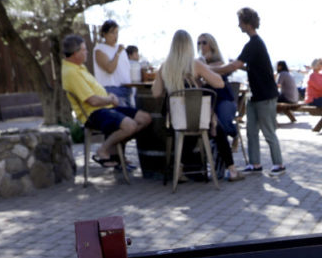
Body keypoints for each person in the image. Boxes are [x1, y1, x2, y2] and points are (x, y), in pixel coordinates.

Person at [153, 30, 244, 183]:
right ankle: (232, 170)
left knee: (187, 131)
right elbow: (220, 83)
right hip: (197, 120)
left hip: (174, 121)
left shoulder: (164, 67)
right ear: (189, 46)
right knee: (216, 128)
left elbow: (156, 93)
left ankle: (179, 168)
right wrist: (202, 76)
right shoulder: (195, 64)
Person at [61, 34, 151, 168]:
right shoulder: (71, 72)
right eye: (84, 50)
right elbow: (93, 101)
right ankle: (103, 149)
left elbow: (94, 92)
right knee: (130, 126)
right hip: (93, 114)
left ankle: (115, 148)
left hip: (106, 108)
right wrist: (110, 98)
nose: (86, 52)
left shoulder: (80, 67)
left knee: (145, 118)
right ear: (75, 53)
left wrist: (109, 97)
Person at [212, 7, 284, 175]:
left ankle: (279, 165)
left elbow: (234, 66)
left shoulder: (254, 44)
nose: (238, 26)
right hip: (255, 95)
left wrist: (209, 70)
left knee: (268, 131)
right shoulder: (254, 45)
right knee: (251, 131)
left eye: (240, 22)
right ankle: (255, 163)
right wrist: (238, 66)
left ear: (247, 23)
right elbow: (251, 67)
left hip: (265, 95)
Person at [192, 32, 244, 182]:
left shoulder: (219, 62)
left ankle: (234, 134)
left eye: (204, 42)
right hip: (208, 102)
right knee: (213, 131)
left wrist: (199, 68)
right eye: (199, 43)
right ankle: (221, 167)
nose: (201, 46)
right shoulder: (199, 63)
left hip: (223, 99)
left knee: (223, 127)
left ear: (211, 45)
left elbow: (216, 69)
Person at [93, 20, 131, 107]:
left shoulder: (121, 50)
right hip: (112, 90)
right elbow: (110, 69)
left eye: (117, 32)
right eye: (112, 33)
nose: (115, 36)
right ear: (104, 34)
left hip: (126, 89)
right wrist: (117, 53)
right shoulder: (100, 49)